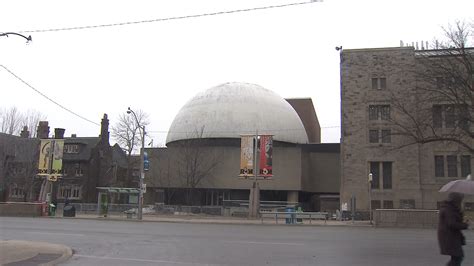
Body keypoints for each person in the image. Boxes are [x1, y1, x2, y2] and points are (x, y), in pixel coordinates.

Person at [438, 192, 469, 266]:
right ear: (456, 200)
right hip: (449, 237)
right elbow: (452, 224)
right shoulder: (448, 209)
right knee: (458, 257)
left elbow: (453, 221)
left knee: (457, 257)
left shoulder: (450, 208)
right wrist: (465, 225)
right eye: (460, 200)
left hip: (451, 236)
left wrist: (462, 219)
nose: (460, 202)